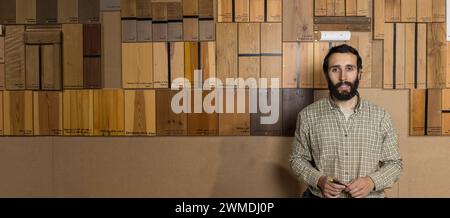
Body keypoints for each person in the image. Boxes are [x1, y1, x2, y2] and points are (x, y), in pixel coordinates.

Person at [289, 44, 402, 198]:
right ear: (326, 74)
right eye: (335, 69)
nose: (343, 77)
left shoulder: (381, 117)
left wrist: (371, 182)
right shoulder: (308, 116)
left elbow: (394, 164)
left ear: (359, 73)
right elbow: (297, 159)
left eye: (349, 68)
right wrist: (320, 180)